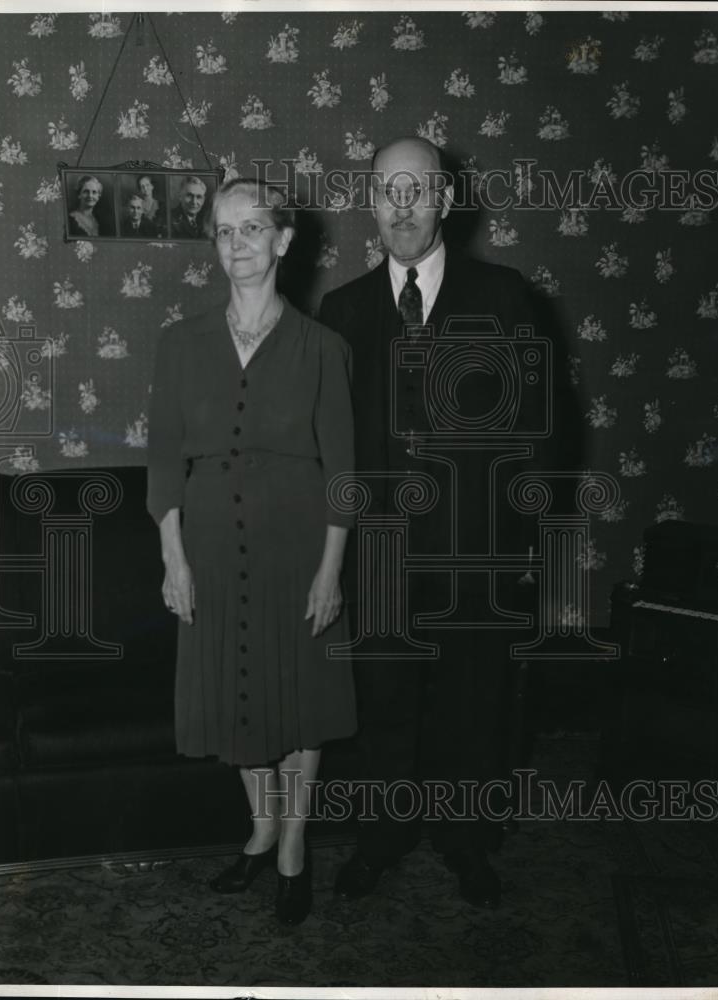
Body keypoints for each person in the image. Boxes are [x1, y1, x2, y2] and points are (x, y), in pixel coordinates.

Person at [319, 136, 545, 910]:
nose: (403, 205)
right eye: (388, 191)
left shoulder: (505, 296)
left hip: (476, 555)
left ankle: (468, 841)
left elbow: (545, 434)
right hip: (379, 559)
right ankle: (382, 839)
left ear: (446, 201)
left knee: (474, 706)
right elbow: (330, 447)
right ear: (372, 206)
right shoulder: (342, 312)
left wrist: (515, 543)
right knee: (384, 705)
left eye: (419, 189)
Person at [147, 177, 357, 925]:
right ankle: (261, 824)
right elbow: (165, 461)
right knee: (235, 695)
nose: (237, 243)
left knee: (297, 704)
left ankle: (293, 843)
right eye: (224, 230)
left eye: (253, 227)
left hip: (298, 551)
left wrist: (331, 571)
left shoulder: (323, 347)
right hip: (206, 545)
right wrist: (173, 558)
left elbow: (343, 474)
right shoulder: (180, 343)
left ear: (283, 240)